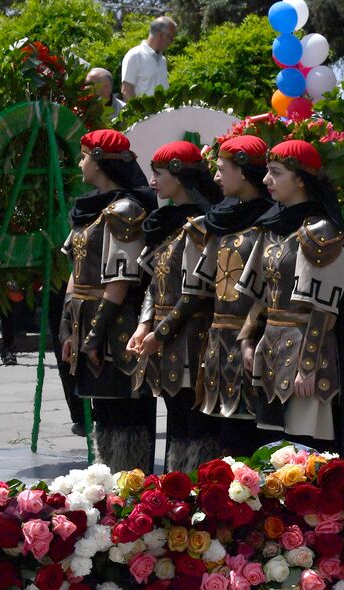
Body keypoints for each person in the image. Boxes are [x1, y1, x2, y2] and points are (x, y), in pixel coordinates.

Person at [236, 139, 344, 455]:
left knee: (304, 452)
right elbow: (260, 296)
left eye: (276, 173)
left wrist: (308, 365)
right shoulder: (272, 229)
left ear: (301, 180)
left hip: (307, 356)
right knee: (270, 451)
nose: (266, 181)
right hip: (270, 354)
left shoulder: (323, 232)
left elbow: (324, 308)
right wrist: (248, 340)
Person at [59, 129, 158, 473]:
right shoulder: (88, 210)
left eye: (84, 156)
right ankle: (108, 485)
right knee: (103, 413)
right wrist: (68, 331)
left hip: (117, 325)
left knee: (124, 412)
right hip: (87, 322)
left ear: (99, 164)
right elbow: (74, 274)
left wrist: (93, 337)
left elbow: (119, 283)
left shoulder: (125, 211)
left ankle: (131, 488)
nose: (79, 163)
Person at [128, 140, 223, 472]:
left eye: (159, 173)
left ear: (180, 177)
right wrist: (143, 325)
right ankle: (176, 485)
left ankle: (196, 487)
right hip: (166, 338)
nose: (153, 181)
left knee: (192, 420)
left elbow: (195, 293)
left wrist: (159, 333)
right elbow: (156, 285)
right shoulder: (167, 224)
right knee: (174, 418)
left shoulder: (200, 226)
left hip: (193, 337)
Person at [186, 134, 275, 457]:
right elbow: (202, 287)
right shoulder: (220, 221)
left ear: (243, 172)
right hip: (218, 346)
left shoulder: (271, 223)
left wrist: (251, 338)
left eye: (222, 168)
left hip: (256, 342)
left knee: (252, 437)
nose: (216, 177)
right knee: (224, 436)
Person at [121, 16, 176, 100]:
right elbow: (126, 91)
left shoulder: (162, 60)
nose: (172, 42)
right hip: (142, 113)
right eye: (171, 38)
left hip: (163, 113)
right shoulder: (135, 55)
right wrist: (138, 113)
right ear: (160, 35)